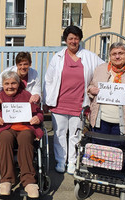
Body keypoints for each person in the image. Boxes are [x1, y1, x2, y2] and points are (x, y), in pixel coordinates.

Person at [43, 25, 106, 175]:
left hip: (79, 104)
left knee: (75, 134)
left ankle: (72, 161)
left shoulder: (89, 56)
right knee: (59, 133)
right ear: (65, 40)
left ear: (80, 40)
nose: (73, 41)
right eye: (70, 38)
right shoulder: (58, 57)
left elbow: (105, 68)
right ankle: (60, 160)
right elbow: (49, 80)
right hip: (59, 103)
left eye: (76, 38)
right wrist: (46, 101)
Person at [0, 71, 44, 198]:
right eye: (6, 83)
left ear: (18, 84)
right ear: (2, 84)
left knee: (25, 138)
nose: (10, 86)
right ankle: (6, 179)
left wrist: (38, 119)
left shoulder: (26, 95)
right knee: (5, 138)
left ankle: (29, 181)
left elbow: (39, 112)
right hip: (6, 128)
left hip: (25, 127)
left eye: (13, 83)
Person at [88, 42, 125, 139]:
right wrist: (91, 90)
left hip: (123, 123)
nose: (117, 57)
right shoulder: (100, 69)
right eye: (114, 54)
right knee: (99, 150)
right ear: (110, 56)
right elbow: (91, 85)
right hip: (100, 121)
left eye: (121, 53)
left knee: (119, 151)